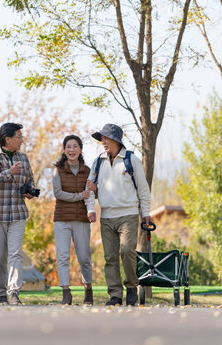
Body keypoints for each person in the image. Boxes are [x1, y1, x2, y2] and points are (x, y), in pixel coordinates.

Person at [85, 124, 152, 306]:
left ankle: (131, 287)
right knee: (110, 257)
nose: (103, 142)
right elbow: (90, 188)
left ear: (116, 140)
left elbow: (143, 189)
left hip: (128, 215)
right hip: (106, 216)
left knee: (127, 251)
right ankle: (115, 294)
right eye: (101, 139)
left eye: (106, 138)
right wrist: (91, 209)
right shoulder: (98, 161)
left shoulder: (131, 160)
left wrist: (145, 213)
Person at [0, 123, 36, 305]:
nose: (22, 140)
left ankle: (13, 293)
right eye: (19, 136)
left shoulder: (23, 158)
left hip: (18, 213)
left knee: (15, 254)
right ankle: (0, 294)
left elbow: (29, 180)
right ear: (7, 139)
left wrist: (30, 190)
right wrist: (8, 172)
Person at [52, 135, 93, 305]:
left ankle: (88, 289)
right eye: (68, 147)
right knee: (62, 256)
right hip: (62, 219)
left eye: (75, 146)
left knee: (84, 257)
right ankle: (66, 293)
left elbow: (90, 194)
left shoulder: (88, 171)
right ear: (64, 150)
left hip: (81, 219)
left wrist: (90, 206)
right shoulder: (58, 169)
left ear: (80, 150)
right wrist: (79, 196)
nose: (71, 150)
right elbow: (58, 193)